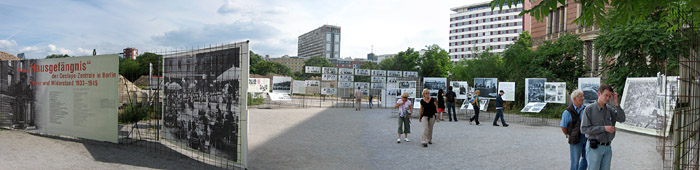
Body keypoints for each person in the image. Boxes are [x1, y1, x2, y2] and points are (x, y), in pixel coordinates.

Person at [581, 84, 625, 170]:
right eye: (606, 95)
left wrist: (616, 104)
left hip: (607, 148)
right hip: (594, 148)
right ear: (599, 94)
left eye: (609, 96)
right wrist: (604, 128)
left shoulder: (609, 110)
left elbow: (622, 119)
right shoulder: (589, 109)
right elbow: (584, 129)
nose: (608, 98)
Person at [561, 90, 587, 170]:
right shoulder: (567, 112)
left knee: (587, 159)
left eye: (583, 96)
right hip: (575, 138)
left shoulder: (585, 109)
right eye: (581, 96)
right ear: (574, 98)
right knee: (575, 161)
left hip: (586, 137)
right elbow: (563, 127)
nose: (583, 98)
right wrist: (571, 134)